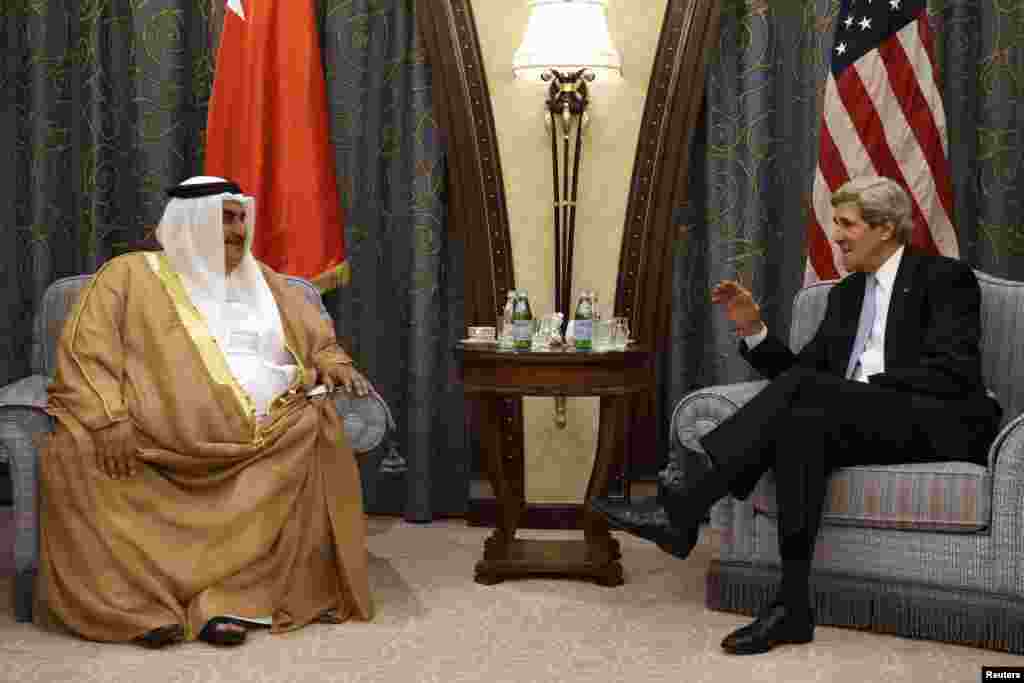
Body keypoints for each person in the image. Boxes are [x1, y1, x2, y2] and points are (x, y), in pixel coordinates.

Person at [591, 176, 1002, 655]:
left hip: (939, 419)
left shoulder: (945, 278)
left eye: (846, 224)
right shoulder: (846, 295)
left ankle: (685, 504)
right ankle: (792, 606)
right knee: (800, 423)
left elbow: (952, 372)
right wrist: (754, 330)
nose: (837, 235)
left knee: (811, 400)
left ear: (886, 228)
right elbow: (797, 377)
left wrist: (852, 390)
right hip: (855, 420)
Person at [39, 176, 374, 648]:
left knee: (314, 428)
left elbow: (317, 337)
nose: (240, 231)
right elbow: (85, 352)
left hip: (267, 435)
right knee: (73, 450)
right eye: (226, 220)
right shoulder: (129, 275)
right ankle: (138, 606)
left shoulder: (266, 283)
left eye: (242, 219)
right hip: (150, 436)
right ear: (190, 224)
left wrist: (333, 362)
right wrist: (107, 417)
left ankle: (229, 600)